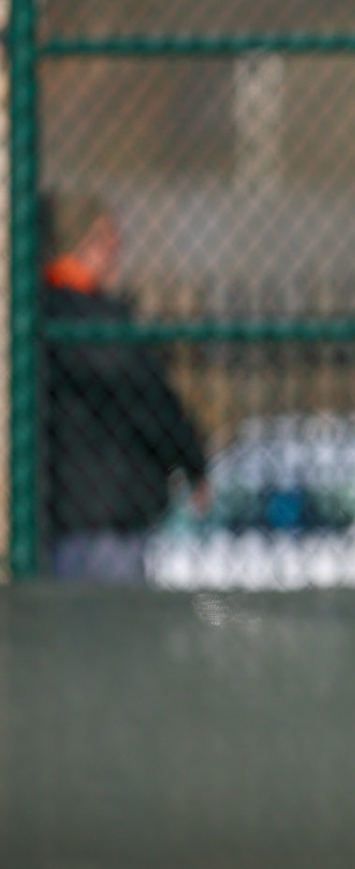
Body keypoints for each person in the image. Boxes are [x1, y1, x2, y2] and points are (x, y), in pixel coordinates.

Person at [42, 195, 208, 580]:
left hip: (68, 512)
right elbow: (145, 398)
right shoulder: (88, 317)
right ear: (80, 242)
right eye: (106, 237)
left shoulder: (46, 308)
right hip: (102, 517)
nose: (117, 248)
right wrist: (191, 460)